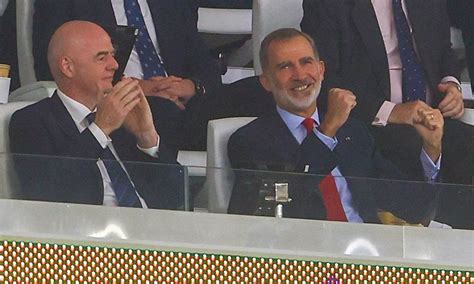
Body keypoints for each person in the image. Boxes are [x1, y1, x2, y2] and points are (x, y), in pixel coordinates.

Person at [227, 28, 443, 224]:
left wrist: (431, 149)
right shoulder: (249, 140)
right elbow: (287, 204)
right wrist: (327, 131)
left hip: (366, 254)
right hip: (302, 259)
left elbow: (414, 208)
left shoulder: (353, 132)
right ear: (266, 81)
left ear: (321, 70)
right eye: (285, 66)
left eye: (306, 62)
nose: (300, 75)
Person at [9, 21, 183, 209]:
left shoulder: (124, 117)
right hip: (85, 233)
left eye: (113, 55)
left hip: (151, 231)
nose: (115, 65)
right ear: (68, 67)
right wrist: (100, 129)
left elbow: (178, 198)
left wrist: (147, 137)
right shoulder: (32, 121)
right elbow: (48, 193)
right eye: (101, 58)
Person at [301, 0, 473, 185]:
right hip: (371, 124)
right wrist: (392, 112)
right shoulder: (326, 5)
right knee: (410, 151)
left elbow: (443, 49)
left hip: (434, 117)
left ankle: (449, 213)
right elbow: (323, 78)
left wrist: (451, 84)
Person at [33, 0, 222, 152]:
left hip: (187, 103)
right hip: (123, 106)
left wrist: (191, 86)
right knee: (164, 109)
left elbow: (206, 64)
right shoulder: (68, 4)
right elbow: (56, 63)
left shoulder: (171, 4)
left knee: (249, 92)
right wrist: (136, 87)